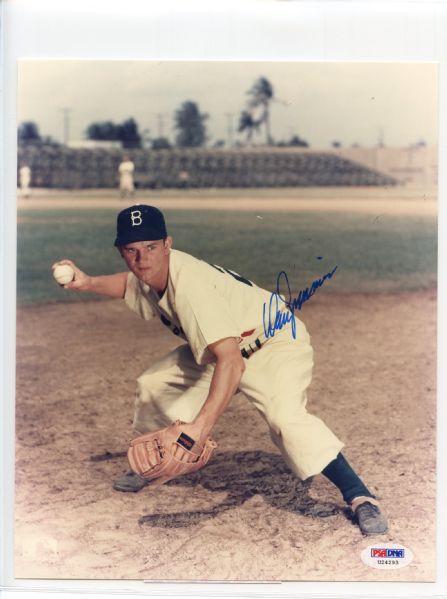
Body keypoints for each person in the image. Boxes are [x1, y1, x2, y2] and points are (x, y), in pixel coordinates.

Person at [53, 205, 388, 536]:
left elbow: (232, 363)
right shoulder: (151, 272)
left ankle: (360, 496)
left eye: (151, 247)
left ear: (168, 243)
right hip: (226, 346)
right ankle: (152, 464)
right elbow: (130, 284)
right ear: (122, 251)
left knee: (285, 419)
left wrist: (198, 429)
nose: (143, 258)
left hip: (273, 343)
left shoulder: (191, 288)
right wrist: (87, 282)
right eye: (132, 250)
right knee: (154, 383)